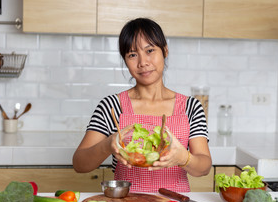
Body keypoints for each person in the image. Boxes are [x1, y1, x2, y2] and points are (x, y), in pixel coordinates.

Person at [73, 18, 212, 192]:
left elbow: (204, 167)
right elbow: (79, 163)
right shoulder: (111, 106)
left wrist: (183, 158)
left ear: (165, 51)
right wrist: (107, 144)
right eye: (132, 54)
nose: (142, 62)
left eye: (150, 50)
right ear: (125, 60)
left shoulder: (191, 107)